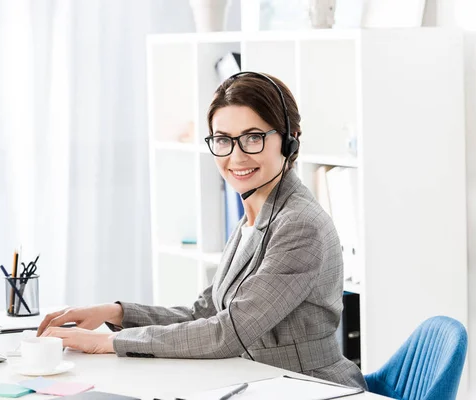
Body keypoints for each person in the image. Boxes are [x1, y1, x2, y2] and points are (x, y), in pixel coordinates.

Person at [37, 72, 367, 389]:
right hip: (259, 379)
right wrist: (116, 313)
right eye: (223, 140)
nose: (236, 156)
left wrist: (109, 342)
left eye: (253, 138)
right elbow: (206, 312)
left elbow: (229, 331)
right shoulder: (256, 215)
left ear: (290, 140)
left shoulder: (298, 224)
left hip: (310, 387)